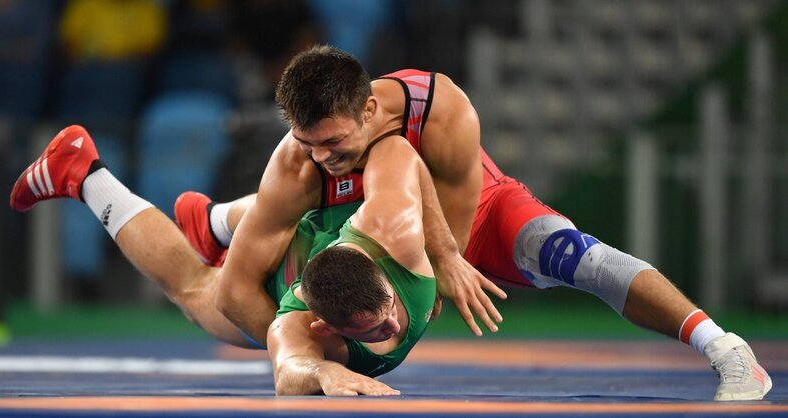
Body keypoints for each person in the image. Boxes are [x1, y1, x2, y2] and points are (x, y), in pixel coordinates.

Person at [176, 45, 771, 401]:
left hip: (470, 219)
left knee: (581, 258)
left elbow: (451, 248)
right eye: (309, 144)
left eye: (333, 143)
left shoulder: (442, 108)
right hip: (363, 233)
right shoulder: (298, 160)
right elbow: (235, 295)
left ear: (369, 109)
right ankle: (223, 221)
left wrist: (428, 277)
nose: (322, 156)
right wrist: (306, 352)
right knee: (231, 293)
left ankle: (726, 348)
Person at [9, 125, 437, 395]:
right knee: (193, 288)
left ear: (380, 271)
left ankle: (217, 222)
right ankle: (85, 175)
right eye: (375, 327)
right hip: (269, 278)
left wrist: (449, 252)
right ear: (322, 326)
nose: (393, 326)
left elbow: (398, 151)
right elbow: (289, 370)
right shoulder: (295, 325)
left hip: (308, 229)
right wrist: (323, 374)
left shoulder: (394, 234)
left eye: (385, 311)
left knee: (298, 203)